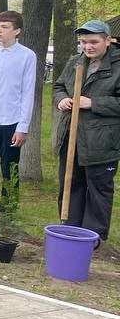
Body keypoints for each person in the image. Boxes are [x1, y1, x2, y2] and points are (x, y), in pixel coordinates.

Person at [53, 20, 120, 240]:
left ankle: (94, 239)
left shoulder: (117, 66)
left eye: (93, 42)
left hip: (101, 141)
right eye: (83, 42)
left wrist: (92, 103)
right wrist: (62, 99)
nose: (88, 47)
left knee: (98, 191)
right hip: (71, 136)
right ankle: (69, 232)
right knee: (71, 185)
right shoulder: (75, 62)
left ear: (107, 41)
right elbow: (59, 86)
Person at [0, 11, 36, 213]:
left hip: (11, 121)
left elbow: (28, 92)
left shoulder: (27, 56)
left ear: (17, 31)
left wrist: (23, 126)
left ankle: (7, 209)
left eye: (4, 27)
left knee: (9, 168)